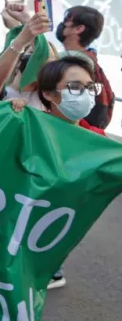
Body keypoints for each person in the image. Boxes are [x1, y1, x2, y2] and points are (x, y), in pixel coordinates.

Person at [8, 55, 106, 289]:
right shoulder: (28, 126)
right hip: (13, 228)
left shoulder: (98, 142)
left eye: (90, 87)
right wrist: (11, 116)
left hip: (54, 230)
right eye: (75, 86)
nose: (85, 93)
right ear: (50, 94)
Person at [55, 5, 114, 129]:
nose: (62, 24)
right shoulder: (89, 60)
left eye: (66, 20)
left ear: (78, 28)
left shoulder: (71, 63)